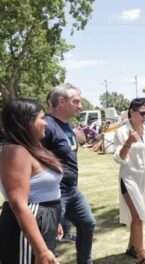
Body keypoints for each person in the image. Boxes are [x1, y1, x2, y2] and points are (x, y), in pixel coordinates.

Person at [0, 98, 62, 264]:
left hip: (44, 219)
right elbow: (18, 204)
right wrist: (41, 251)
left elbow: (48, 191)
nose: (46, 123)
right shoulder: (16, 152)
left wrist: (54, 220)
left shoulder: (34, 148)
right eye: (41, 118)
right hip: (28, 223)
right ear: (26, 122)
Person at [42, 83, 96, 264]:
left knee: (87, 223)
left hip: (72, 190)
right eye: (76, 101)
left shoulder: (67, 126)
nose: (81, 106)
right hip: (54, 193)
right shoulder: (47, 126)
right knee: (50, 238)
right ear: (61, 102)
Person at [113, 98, 145, 264]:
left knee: (138, 216)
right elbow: (118, 158)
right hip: (129, 180)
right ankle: (142, 257)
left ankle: (131, 248)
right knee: (138, 217)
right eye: (142, 113)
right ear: (132, 112)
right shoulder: (121, 131)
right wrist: (128, 142)